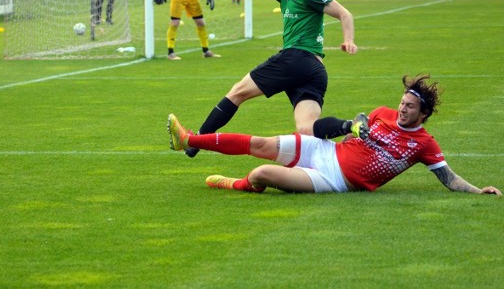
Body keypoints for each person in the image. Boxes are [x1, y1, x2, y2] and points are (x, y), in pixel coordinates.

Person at [167, 74, 502, 196]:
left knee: (260, 174)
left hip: (334, 179)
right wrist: (354, 126)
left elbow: (448, 178)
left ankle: (234, 183)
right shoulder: (383, 113)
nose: (402, 109)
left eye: (410, 107)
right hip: (324, 150)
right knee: (260, 144)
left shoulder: (424, 144)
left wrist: (478, 191)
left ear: (423, 114)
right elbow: (359, 122)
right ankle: (189, 139)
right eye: (402, 102)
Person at [183, 0, 357, 157]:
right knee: (306, 129)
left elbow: (344, 14)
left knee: (238, 92)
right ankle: (351, 126)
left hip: (296, 58)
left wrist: (348, 40)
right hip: (315, 71)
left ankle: (196, 141)